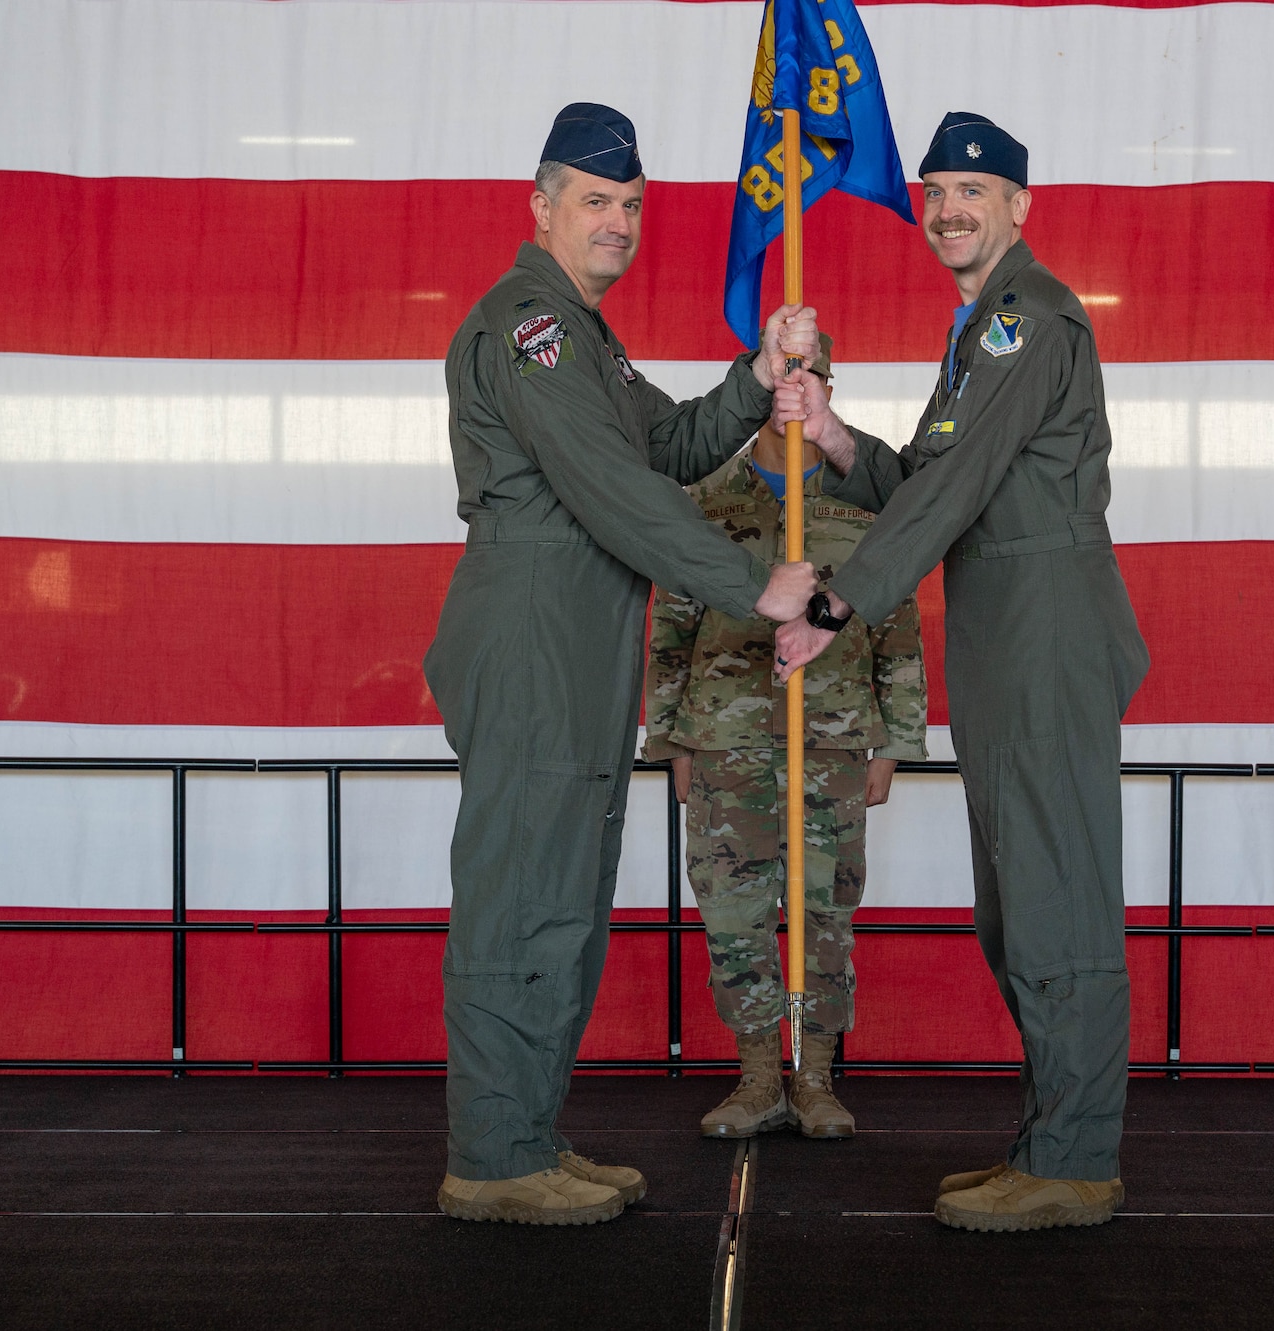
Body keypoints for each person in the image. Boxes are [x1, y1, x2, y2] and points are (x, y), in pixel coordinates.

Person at [422, 102, 820, 1225]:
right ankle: (492, 1157)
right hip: (536, 626)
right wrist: (756, 582)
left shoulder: (584, 336)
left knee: (563, 898)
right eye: (596, 201)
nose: (619, 221)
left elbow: (678, 446)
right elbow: (613, 487)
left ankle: (524, 1132)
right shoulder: (530, 327)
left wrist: (755, 373)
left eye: (633, 204)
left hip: (582, 628)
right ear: (540, 207)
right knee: (520, 897)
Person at [772, 113, 1149, 1232]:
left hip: (1043, 629)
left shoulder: (1026, 318)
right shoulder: (980, 325)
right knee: (1019, 901)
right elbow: (934, 475)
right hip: (1005, 628)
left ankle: (1076, 1160)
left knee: (1056, 897)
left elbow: (952, 488)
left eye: (971, 191)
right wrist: (837, 437)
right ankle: (1048, 1138)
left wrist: (842, 600)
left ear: (1019, 207)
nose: (947, 210)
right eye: (934, 191)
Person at [642, 335, 928, 1141]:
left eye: (810, 376)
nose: (792, 390)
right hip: (726, 738)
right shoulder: (703, 496)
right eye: (781, 373)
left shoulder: (868, 496)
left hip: (834, 741)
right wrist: (673, 741)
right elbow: (671, 623)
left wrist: (894, 740)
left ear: (830, 388)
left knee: (824, 912)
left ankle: (816, 1078)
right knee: (734, 911)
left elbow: (898, 624)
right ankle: (758, 1074)